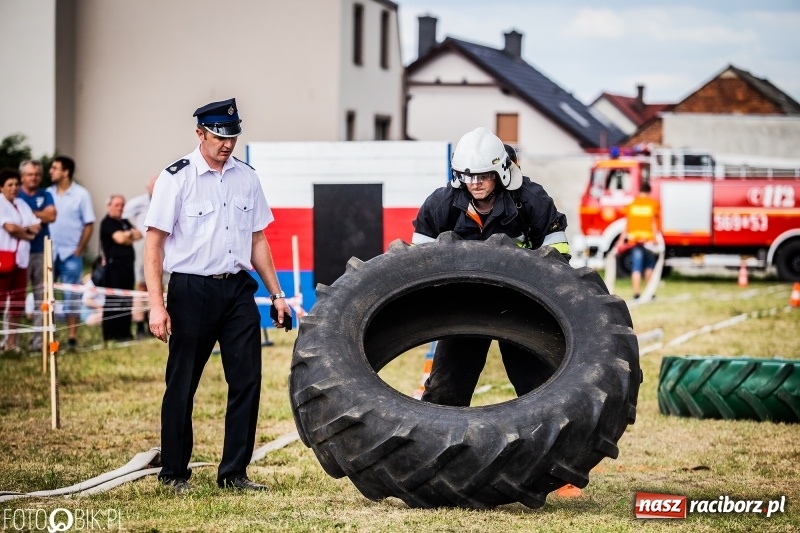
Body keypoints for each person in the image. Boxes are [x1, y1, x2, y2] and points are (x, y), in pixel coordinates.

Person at [144, 97, 291, 494]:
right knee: (183, 383)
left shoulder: (247, 177)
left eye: (232, 136)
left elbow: (258, 239)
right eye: (218, 136)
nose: (226, 144)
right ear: (200, 134)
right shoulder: (176, 177)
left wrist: (277, 294)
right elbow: (154, 244)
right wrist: (157, 304)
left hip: (238, 291)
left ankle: (234, 474)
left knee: (247, 380)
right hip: (191, 289)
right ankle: (174, 473)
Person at [411, 128, 570, 408]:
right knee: (445, 394)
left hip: (520, 305)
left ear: (501, 173)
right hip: (465, 308)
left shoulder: (530, 201)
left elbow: (559, 255)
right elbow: (417, 264)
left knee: (539, 389)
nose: (476, 183)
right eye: (469, 176)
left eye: (483, 175)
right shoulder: (440, 205)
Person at [47, 156, 95, 350]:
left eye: (55, 168)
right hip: (50, 253)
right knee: (48, 296)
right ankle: (48, 336)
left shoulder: (81, 194)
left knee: (71, 297)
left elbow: (89, 223)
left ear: (66, 171)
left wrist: (80, 248)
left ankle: (72, 338)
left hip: (71, 255)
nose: (51, 171)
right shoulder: (48, 194)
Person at [0, 169, 41, 353]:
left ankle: (11, 343)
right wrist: (27, 232)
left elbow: (36, 224)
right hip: (4, 257)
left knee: (17, 303)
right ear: (2, 187)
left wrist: (23, 230)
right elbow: (10, 228)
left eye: (16, 184)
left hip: (21, 260)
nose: (14, 188)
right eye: (10, 184)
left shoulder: (22, 204)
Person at [18, 160, 57, 352]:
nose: (33, 177)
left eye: (36, 174)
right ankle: (11, 342)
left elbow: (51, 216)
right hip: (19, 252)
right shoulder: (15, 193)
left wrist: (25, 213)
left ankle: (38, 343)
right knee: (16, 298)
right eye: (29, 174)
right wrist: (36, 216)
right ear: (22, 177)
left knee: (43, 297)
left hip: (42, 251)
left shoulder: (46, 194)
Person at [99, 194, 142, 341]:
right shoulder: (107, 223)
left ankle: (125, 333)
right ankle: (112, 334)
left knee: (126, 300)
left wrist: (127, 235)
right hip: (113, 268)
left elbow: (139, 234)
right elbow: (120, 238)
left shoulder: (124, 221)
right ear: (109, 206)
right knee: (114, 300)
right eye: (117, 205)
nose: (120, 208)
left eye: (122, 205)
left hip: (127, 267)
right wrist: (128, 236)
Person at [122, 175, 157, 339]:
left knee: (159, 288)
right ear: (148, 187)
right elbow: (122, 219)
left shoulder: (168, 200)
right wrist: (133, 232)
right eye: (154, 185)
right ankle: (139, 325)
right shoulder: (137, 203)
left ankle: (154, 323)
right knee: (142, 286)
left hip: (163, 248)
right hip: (142, 247)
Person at [620, 181, 662, 299]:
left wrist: (621, 241)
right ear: (649, 192)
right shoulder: (653, 204)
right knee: (649, 266)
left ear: (639, 191)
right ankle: (649, 293)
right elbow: (653, 223)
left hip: (635, 241)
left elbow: (627, 225)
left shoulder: (632, 204)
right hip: (648, 241)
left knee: (636, 267)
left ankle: (636, 294)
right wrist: (656, 238)